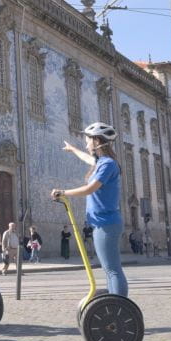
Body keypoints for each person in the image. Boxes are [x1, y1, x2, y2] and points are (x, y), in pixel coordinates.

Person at [52, 122, 129, 297]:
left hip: (106, 223)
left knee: (112, 269)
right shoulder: (101, 162)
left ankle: (120, 305)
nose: (86, 144)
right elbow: (87, 158)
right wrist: (72, 149)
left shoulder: (108, 164)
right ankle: (115, 301)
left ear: (97, 141)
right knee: (109, 269)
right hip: (101, 223)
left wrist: (63, 192)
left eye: (88, 140)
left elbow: (90, 188)